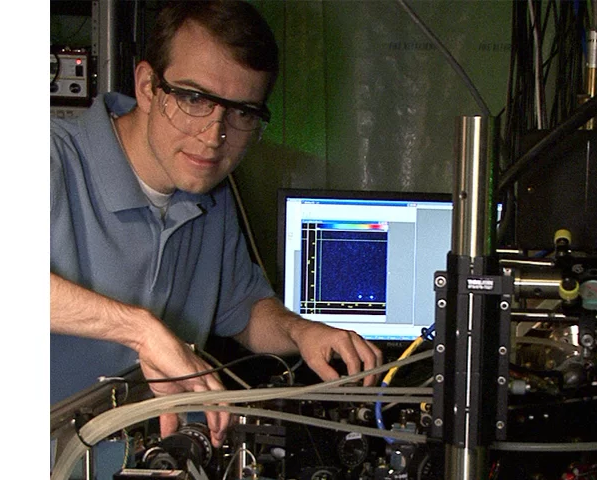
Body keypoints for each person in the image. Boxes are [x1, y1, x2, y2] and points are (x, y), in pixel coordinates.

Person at [50, 1, 382, 449]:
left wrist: (300, 330)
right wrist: (141, 331)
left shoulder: (209, 193)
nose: (214, 136)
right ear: (148, 86)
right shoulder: (52, 158)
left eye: (241, 112)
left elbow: (243, 311)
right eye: (194, 98)